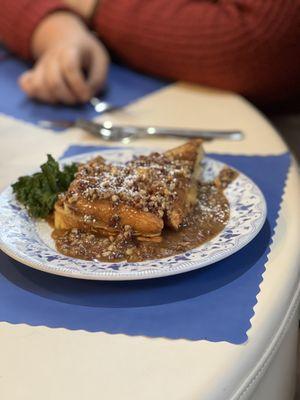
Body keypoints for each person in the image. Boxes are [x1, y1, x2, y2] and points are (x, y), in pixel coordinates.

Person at [0, 0, 299, 105]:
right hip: (115, 78)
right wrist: (56, 29)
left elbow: (257, 44)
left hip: (256, 113)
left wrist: (94, 7)